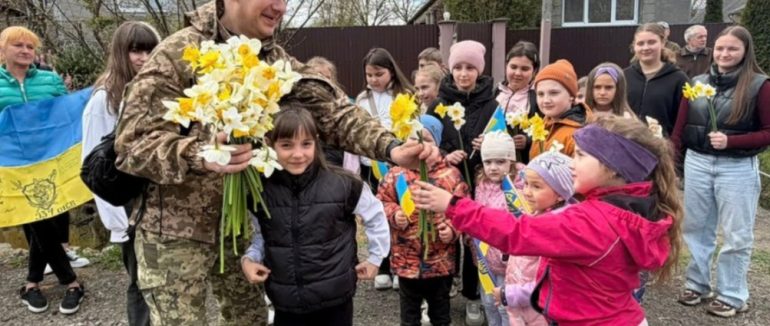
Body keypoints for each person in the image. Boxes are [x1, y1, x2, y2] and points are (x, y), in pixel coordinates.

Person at [113, 1, 439, 324]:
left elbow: (334, 112)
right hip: (174, 233)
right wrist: (201, 153)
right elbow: (131, 146)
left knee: (250, 320)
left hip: (242, 228)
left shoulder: (273, 62)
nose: (280, 7)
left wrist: (392, 147)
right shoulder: (179, 53)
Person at [413, 115, 683, 325]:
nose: (571, 162)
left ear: (612, 167)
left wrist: (452, 205)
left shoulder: (591, 221)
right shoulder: (631, 211)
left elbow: (517, 232)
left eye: (580, 155)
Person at [240, 106, 390, 326]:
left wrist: (376, 256)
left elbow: (375, 216)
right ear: (270, 144)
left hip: (335, 299)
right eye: (286, 145)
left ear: (316, 142)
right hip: (286, 300)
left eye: (306, 144)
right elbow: (261, 234)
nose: (298, 154)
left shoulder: (343, 184)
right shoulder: (260, 189)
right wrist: (250, 259)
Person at [671, 25, 770, 318]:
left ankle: (732, 293)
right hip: (698, 163)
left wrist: (732, 141)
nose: (725, 54)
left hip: (736, 167)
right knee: (697, 228)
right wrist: (671, 160)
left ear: (745, 52)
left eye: (733, 49)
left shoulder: (759, 85)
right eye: (721, 48)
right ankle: (697, 284)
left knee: (736, 234)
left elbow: (768, 132)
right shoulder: (697, 82)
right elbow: (680, 128)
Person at [0, 25, 85, 315]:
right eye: (18, 46)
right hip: (13, 168)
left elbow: (68, 113)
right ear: (3, 50)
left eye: (30, 47)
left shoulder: (50, 80)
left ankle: (32, 283)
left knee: (45, 219)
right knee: (35, 219)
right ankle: (71, 282)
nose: (25, 51)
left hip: (53, 163)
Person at [80, 21, 160, 326]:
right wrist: (117, 219)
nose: (142, 57)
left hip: (156, 201)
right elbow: (94, 167)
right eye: (135, 50)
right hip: (127, 206)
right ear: (120, 53)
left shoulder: (157, 89)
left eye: (150, 49)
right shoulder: (105, 99)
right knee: (140, 282)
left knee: (159, 280)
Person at [427, 39, 499, 325]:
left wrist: (490, 142)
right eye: (458, 67)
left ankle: (472, 294)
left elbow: (502, 140)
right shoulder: (439, 104)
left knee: (475, 238)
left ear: (479, 72)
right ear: (450, 69)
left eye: (470, 68)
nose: (464, 73)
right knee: (447, 235)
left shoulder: (491, 104)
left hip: (480, 180)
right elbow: (429, 140)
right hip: (449, 179)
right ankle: (444, 289)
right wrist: (446, 152)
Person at [378, 115, 468, 326]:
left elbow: (463, 208)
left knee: (440, 315)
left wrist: (452, 229)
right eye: (412, 140)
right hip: (406, 262)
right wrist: (394, 214)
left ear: (437, 144)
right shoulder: (395, 174)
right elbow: (381, 203)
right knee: (409, 316)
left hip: (440, 263)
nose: (419, 146)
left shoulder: (451, 175)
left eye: (426, 139)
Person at [355, 47, 415, 290]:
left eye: (378, 74)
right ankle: (382, 265)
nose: (373, 80)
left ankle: (401, 266)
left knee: (402, 216)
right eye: (369, 75)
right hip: (371, 166)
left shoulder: (405, 95)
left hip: (398, 165)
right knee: (379, 215)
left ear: (391, 71)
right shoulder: (361, 99)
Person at [494, 150, 576, 326]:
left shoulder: (556, 231)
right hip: (524, 311)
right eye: (525, 184)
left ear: (561, 192)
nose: (526, 192)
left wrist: (507, 294)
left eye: (536, 186)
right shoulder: (534, 215)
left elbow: (550, 286)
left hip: (540, 314)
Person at [471, 131, 517, 326]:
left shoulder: (517, 186)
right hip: (486, 257)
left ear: (511, 162)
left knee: (506, 305)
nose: (493, 167)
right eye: (488, 162)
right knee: (489, 301)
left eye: (500, 162)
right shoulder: (481, 184)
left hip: (509, 260)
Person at [625, 23, 688, 136]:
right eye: (640, 43)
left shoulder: (678, 79)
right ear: (634, 46)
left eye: (652, 42)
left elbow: (684, 120)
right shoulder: (624, 76)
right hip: (626, 143)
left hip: (661, 147)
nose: (646, 47)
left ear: (663, 43)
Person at [530, 59, 591, 158]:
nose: (546, 100)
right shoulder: (543, 124)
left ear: (571, 96)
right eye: (540, 94)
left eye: (554, 93)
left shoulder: (579, 135)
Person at [495, 40, 541, 164]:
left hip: (525, 162)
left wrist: (528, 140)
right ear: (506, 66)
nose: (517, 73)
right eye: (513, 67)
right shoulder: (495, 94)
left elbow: (546, 128)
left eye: (525, 69)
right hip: (496, 162)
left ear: (535, 71)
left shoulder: (538, 97)